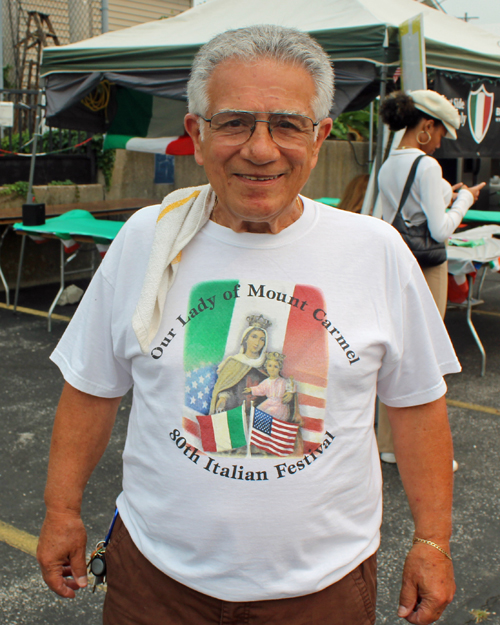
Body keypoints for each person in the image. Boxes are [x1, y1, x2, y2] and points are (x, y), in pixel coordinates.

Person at [37, 25, 460, 625]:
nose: (260, 149)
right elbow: (90, 388)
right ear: (197, 134)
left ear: (318, 139)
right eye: (234, 122)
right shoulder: (147, 240)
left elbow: (418, 407)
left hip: (322, 591)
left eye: (286, 125)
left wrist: (433, 541)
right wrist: (61, 512)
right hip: (157, 584)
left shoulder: (376, 250)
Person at [377, 90, 485, 465]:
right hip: (427, 265)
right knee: (427, 357)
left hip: (396, 263)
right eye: (441, 133)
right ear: (426, 126)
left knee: (394, 354)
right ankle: (425, 451)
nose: (441, 143)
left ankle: (387, 444)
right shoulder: (426, 166)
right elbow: (440, 231)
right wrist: (464, 200)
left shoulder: (388, 164)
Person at [210, 315, 269, 414]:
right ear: (245, 339)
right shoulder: (234, 362)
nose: (257, 342)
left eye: (262, 339)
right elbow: (225, 388)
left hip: (260, 414)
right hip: (236, 411)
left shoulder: (267, 366)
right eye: (254, 337)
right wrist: (223, 398)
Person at [244, 351, 298, 422]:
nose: (272, 369)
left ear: (279, 368)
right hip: (269, 402)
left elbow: (291, 386)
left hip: (279, 405)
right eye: (270, 366)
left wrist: (290, 392)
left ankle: (270, 426)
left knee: (270, 412)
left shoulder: (283, 381)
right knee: (258, 411)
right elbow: (260, 389)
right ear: (266, 367)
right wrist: (251, 390)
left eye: (275, 367)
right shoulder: (266, 381)